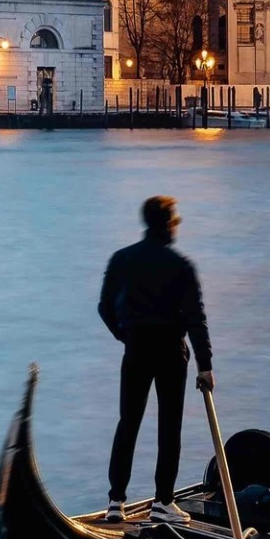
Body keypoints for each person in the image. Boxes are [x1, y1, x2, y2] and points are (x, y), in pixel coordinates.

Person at [99, 194, 214, 509]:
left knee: (128, 422)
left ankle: (116, 501)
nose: (177, 227)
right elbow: (195, 318)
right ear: (166, 225)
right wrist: (205, 365)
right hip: (170, 353)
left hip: (135, 348)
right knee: (169, 427)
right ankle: (164, 503)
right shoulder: (181, 266)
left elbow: (104, 307)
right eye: (175, 221)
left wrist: (125, 335)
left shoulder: (121, 259)